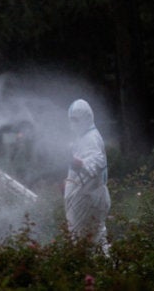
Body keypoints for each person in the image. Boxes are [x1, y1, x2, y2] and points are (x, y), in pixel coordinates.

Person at [64, 99, 111, 254]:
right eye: (71, 120)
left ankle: (96, 272)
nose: (72, 124)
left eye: (75, 120)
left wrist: (77, 162)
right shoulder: (84, 137)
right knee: (91, 239)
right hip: (84, 197)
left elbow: (96, 163)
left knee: (88, 241)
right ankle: (102, 271)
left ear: (85, 118)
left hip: (88, 198)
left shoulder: (91, 138)